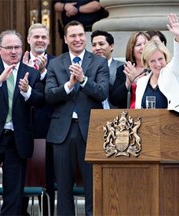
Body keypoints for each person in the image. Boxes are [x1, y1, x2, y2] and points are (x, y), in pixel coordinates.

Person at [0, 30, 45, 215]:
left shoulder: (31, 73)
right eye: (9, 48)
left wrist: (27, 91)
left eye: (17, 47)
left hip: (17, 140)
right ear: (0, 50)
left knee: (14, 195)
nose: (14, 51)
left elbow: (40, 100)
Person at [45, 20, 109, 215]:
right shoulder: (55, 63)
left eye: (81, 35)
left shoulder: (99, 61)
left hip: (90, 130)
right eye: (72, 35)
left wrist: (83, 80)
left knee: (92, 185)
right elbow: (49, 95)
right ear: (65, 39)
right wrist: (69, 86)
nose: (78, 39)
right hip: (62, 132)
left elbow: (102, 92)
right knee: (63, 187)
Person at [21, 23, 55, 216]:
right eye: (36, 37)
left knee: (46, 177)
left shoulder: (57, 63)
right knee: (21, 176)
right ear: (28, 40)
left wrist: (42, 73)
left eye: (43, 37)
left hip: (47, 127)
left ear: (49, 40)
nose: (40, 40)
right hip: (22, 127)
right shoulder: (19, 61)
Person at [135, 14, 179, 117]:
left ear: (166, 57)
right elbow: (138, 111)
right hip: (148, 128)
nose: (158, 64)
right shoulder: (142, 82)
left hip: (173, 127)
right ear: (147, 62)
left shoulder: (174, 73)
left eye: (160, 59)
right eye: (153, 61)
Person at [110, 31, 150, 108]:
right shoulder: (124, 69)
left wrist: (136, 80)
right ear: (131, 49)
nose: (143, 47)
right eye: (138, 45)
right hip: (128, 116)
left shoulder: (155, 68)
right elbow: (114, 100)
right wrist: (127, 83)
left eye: (146, 44)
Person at [90, 30, 124, 108]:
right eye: (94, 45)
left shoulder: (122, 67)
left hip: (116, 113)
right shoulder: (87, 68)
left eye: (101, 44)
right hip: (93, 113)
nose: (97, 48)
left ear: (111, 46)